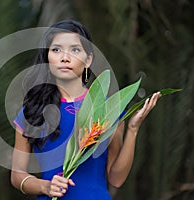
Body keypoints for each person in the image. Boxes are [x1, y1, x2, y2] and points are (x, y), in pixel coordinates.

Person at [11, 20, 161, 200]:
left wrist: (132, 130)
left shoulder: (108, 109)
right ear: (47, 56)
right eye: (56, 49)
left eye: (74, 50)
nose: (64, 57)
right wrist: (45, 186)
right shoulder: (32, 111)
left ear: (88, 59)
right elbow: (17, 174)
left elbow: (116, 179)